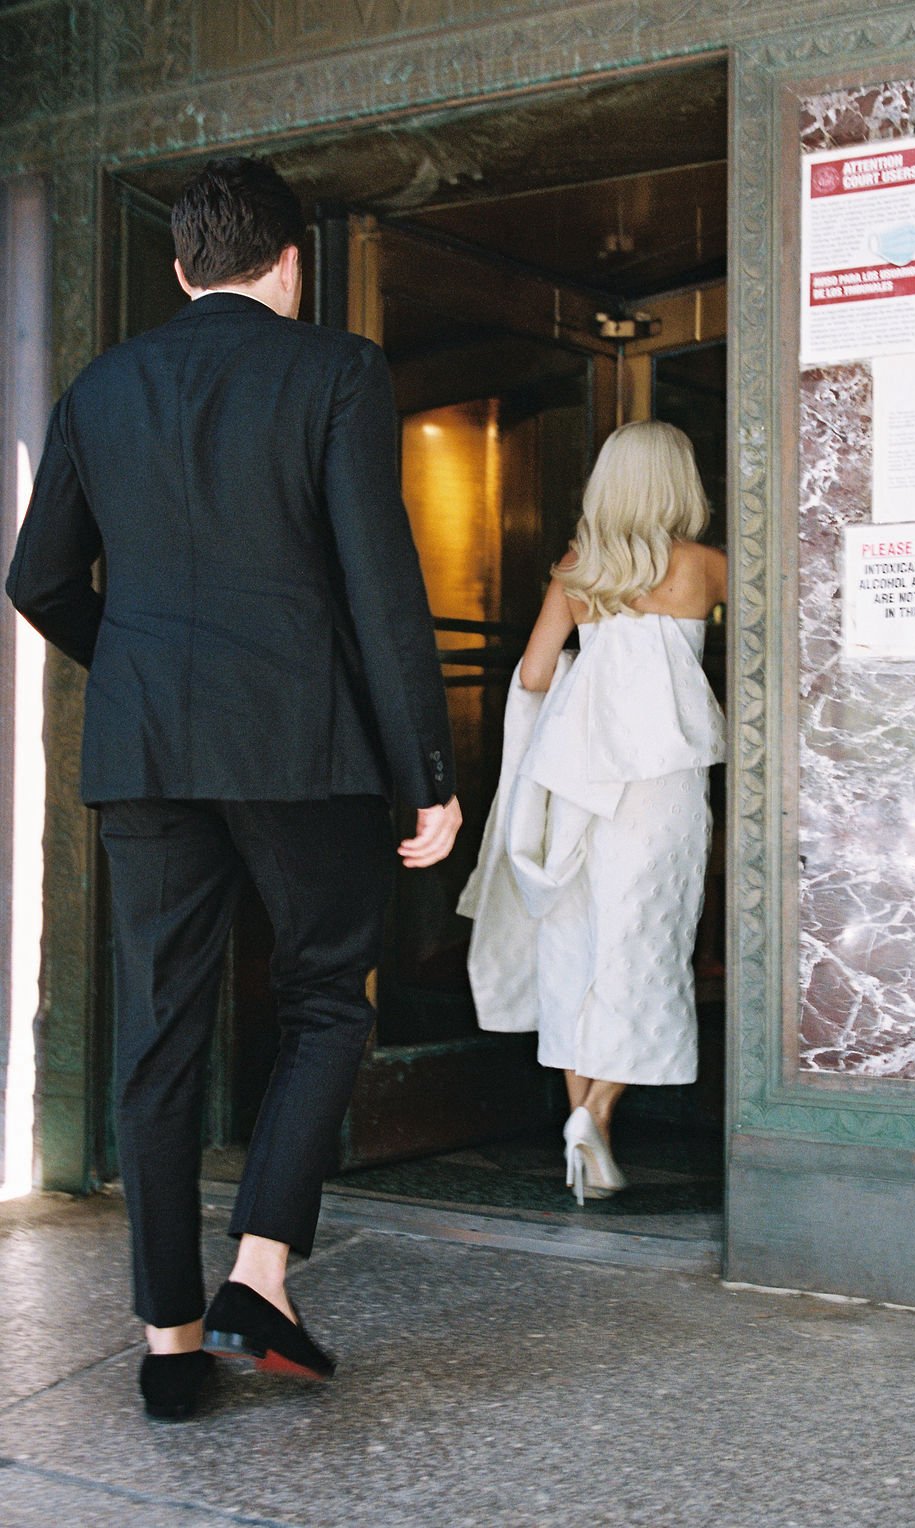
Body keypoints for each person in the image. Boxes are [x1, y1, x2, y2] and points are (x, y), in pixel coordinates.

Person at [6, 157, 461, 1421]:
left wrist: (148, 671)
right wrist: (425, 771)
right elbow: (380, 585)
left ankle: (167, 1345)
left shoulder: (102, 387)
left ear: (180, 265)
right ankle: (259, 1269)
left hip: (147, 750)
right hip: (300, 744)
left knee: (159, 1030)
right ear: (291, 263)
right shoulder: (333, 369)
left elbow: (37, 581)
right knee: (324, 995)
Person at [460, 420, 725, 1203]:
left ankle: (585, 1120)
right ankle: (597, 1115)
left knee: (576, 954)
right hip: (664, 789)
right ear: (681, 483)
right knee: (646, 955)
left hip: (578, 783)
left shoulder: (579, 570)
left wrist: (594, 669)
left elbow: (536, 673)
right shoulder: (710, 567)